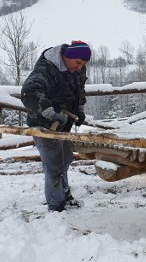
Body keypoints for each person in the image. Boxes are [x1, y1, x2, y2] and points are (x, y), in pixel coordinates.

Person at [21, 40, 91, 212]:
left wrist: (79, 110)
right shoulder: (46, 69)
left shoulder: (76, 68)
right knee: (54, 165)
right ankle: (56, 205)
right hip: (44, 126)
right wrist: (51, 114)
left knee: (66, 159)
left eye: (83, 64)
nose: (80, 68)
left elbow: (80, 90)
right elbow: (29, 92)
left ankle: (64, 195)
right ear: (67, 56)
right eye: (78, 63)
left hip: (63, 124)